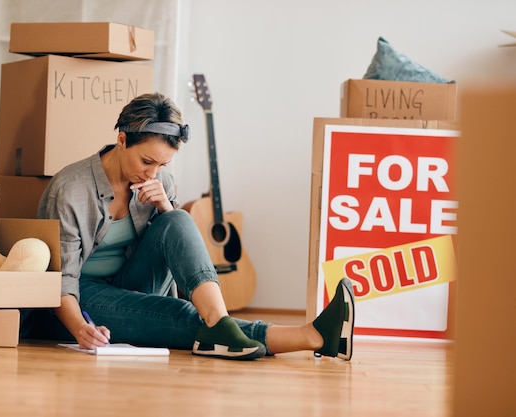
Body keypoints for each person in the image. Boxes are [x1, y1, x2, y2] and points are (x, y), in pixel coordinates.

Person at [22, 92, 355, 361]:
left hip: (131, 284)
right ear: (122, 140)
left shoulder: (160, 179)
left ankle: (220, 322)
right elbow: (60, 282)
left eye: (163, 164)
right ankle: (310, 336)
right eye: (147, 161)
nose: (153, 173)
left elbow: (176, 246)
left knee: (178, 217)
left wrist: (164, 208)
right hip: (81, 301)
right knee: (178, 314)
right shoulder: (70, 190)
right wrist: (80, 328)